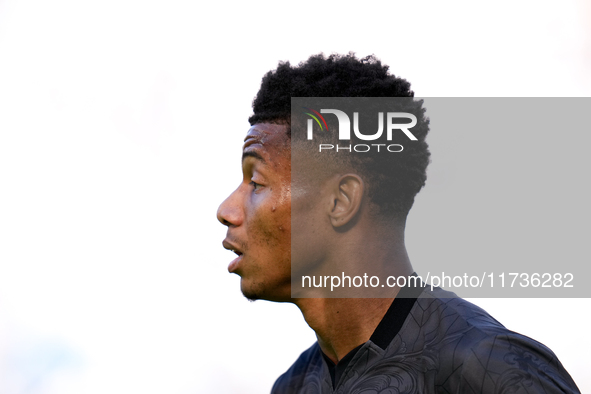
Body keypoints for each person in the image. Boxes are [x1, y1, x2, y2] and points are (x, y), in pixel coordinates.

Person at [216, 53, 580, 393]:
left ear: (341, 202)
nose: (227, 209)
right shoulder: (294, 385)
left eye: (257, 182)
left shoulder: (490, 368)